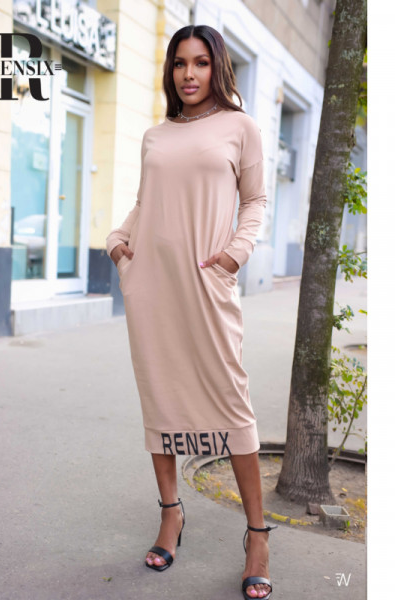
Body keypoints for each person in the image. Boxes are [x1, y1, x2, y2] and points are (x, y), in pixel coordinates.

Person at [106, 24, 277, 600]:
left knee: (232, 402)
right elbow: (144, 202)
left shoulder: (240, 127)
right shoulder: (155, 135)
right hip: (152, 284)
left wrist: (234, 256)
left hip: (207, 284)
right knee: (158, 396)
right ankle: (171, 513)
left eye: (200, 62)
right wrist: (117, 241)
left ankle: (257, 535)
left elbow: (255, 200)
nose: (189, 74)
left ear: (217, 67)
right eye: (180, 63)